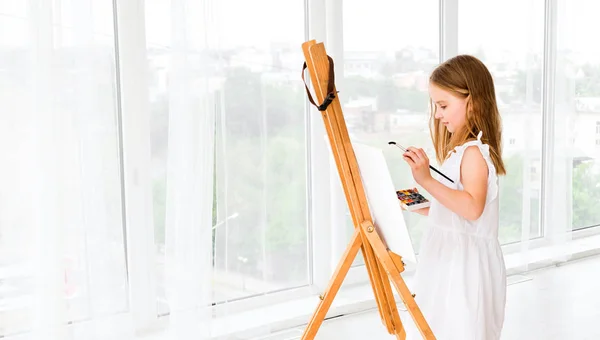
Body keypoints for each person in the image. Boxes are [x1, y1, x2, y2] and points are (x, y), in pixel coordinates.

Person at [401, 55, 507, 340]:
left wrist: (426, 180)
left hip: (465, 269)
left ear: (472, 101)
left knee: (460, 330)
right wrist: (427, 206)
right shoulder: (459, 152)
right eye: (436, 106)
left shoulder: (474, 153)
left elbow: (473, 208)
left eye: (443, 105)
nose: (437, 114)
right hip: (449, 260)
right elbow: (458, 206)